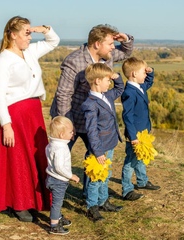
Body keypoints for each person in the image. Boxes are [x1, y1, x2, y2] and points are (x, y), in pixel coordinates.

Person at [50, 24, 134, 196]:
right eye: (110, 43)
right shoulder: (74, 61)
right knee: (59, 157)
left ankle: (92, 197)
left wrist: (124, 38)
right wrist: (67, 125)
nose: (113, 47)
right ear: (97, 44)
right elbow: (64, 95)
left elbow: (125, 52)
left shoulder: (107, 57)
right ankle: (51, 194)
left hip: (94, 120)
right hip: (70, 115)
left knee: (96, 157)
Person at [0, 16, 60, 222]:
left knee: (38, 155)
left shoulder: (29, 52)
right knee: (19, 158)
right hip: (16, 115)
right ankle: (19, 203)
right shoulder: (2, 60)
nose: (29, 37)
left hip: (34, 111)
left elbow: (53, 41)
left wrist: (43, 29)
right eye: (26, 33)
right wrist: (7, 125)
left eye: (30, 33)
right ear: (13, 35)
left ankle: (38, 200)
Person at [81, 63, 123, 222]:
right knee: (96, 178)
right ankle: (92, 207)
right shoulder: (90, 104)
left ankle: (104, 201)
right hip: (99, 148)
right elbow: (91, 131)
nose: (109, 83)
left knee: (106, 175)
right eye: (107, 80)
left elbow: (120, 89)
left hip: (110, 143)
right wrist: (98, 152)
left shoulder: (108, 95)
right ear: (97, 81)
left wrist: (116, 77)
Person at [121, 57, 161, 201]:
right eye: (143, 72)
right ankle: (127, 190)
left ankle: (142, 181)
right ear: (133, 74)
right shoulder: (129, 92)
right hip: (135, 135)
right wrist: (133, 137)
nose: (145, 75)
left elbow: (149, 81)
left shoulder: (140, 86)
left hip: (143, 132)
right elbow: (127, 116)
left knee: (141, 158)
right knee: (130, 161)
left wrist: (150, 72)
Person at [45, 116, 80, 235]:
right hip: (58, 180)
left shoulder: (51, 144)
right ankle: (54, 225)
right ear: (61, 135)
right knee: (57, 202)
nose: (73, 133)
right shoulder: (61, 148)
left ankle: (58, 217)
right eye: (70, 132)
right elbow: (59, 167)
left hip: (51, 178)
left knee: (57, 201)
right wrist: (71, 176)